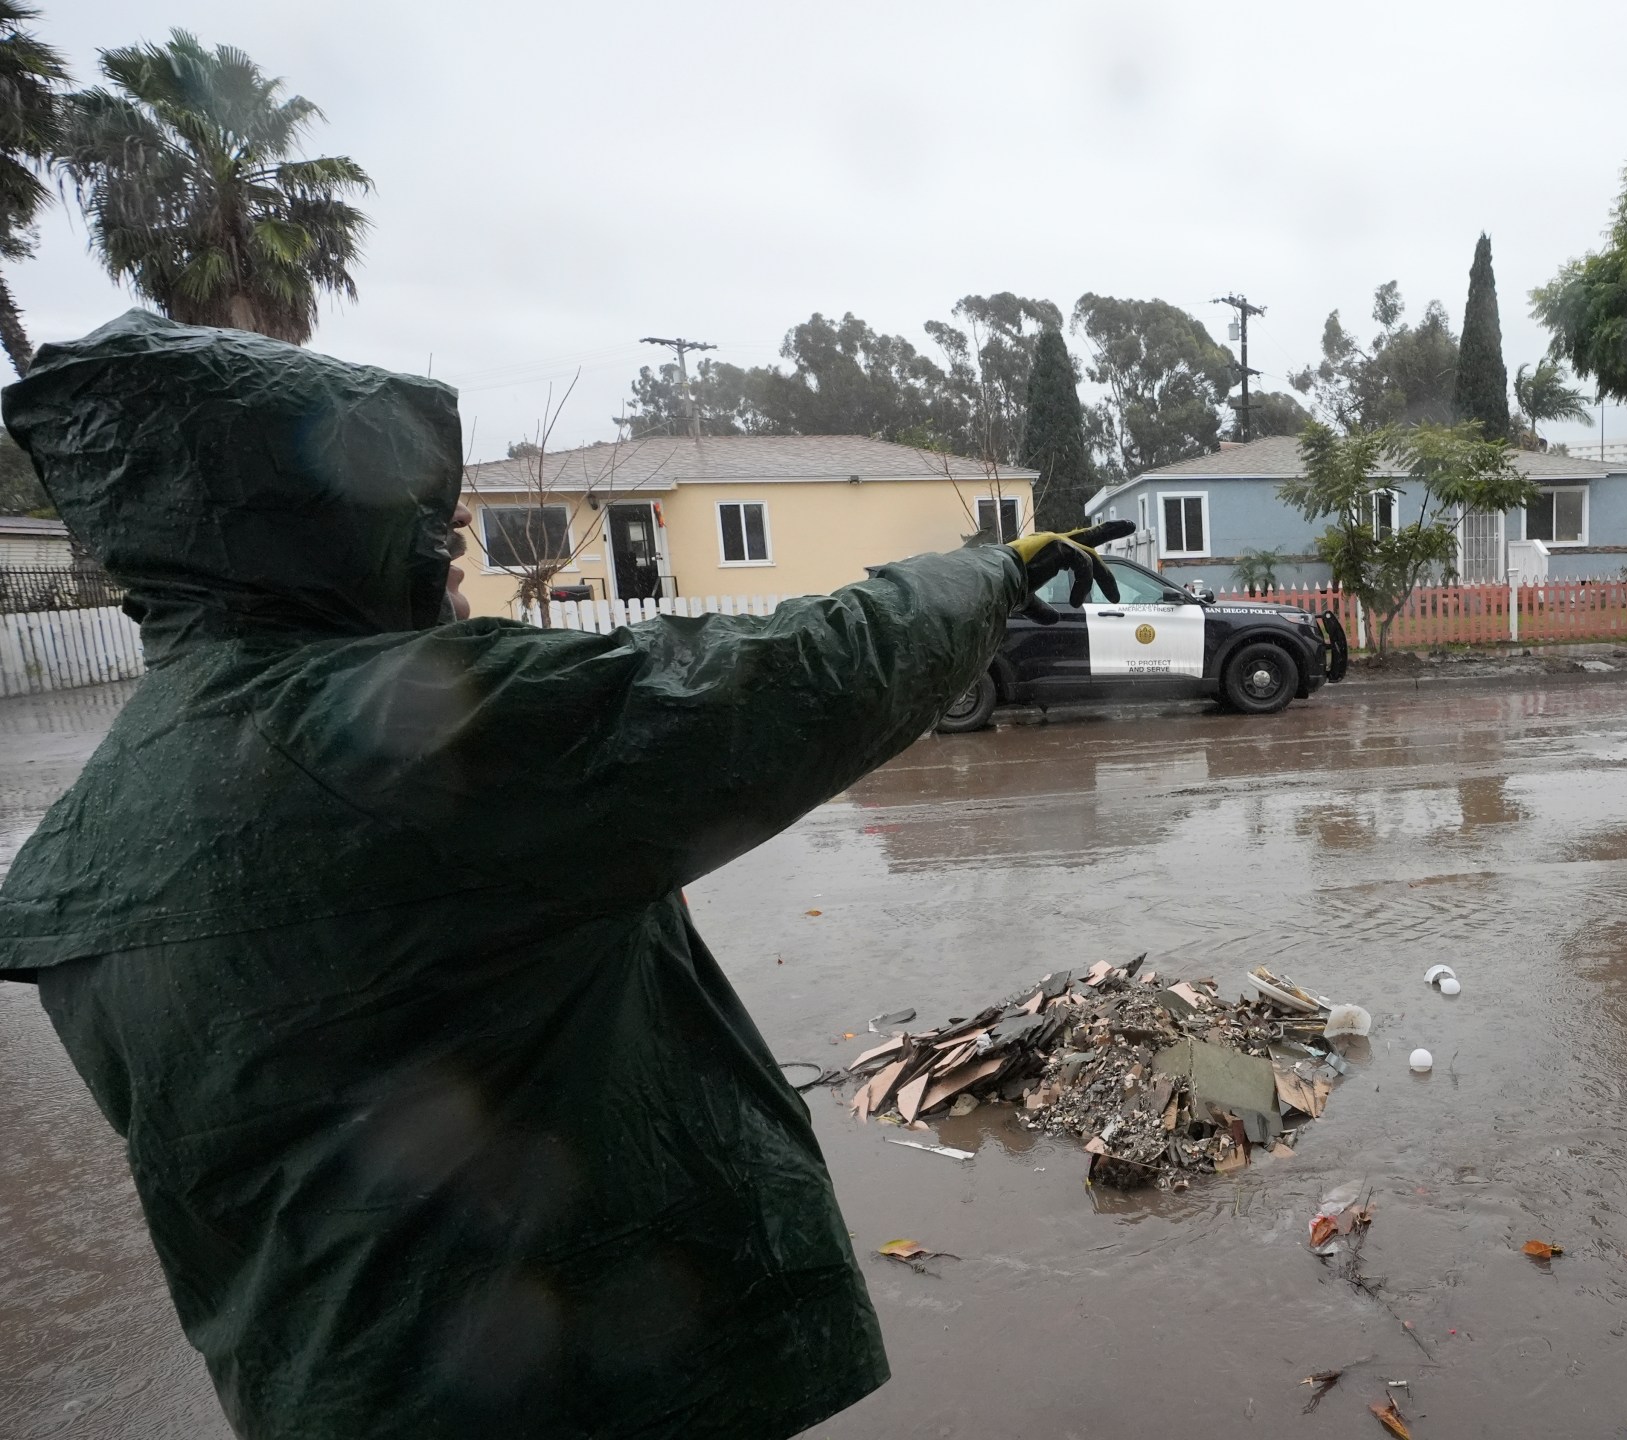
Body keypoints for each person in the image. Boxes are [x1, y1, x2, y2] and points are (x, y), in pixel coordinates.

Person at [0, 311, 1129, 1439]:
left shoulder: (93, 829)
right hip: (558, 1376)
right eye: (430, 548)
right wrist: (985, 576)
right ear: (320, 541)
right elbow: (762, 685)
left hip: (320, 1384)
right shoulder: (385, 736)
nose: (448, 577)